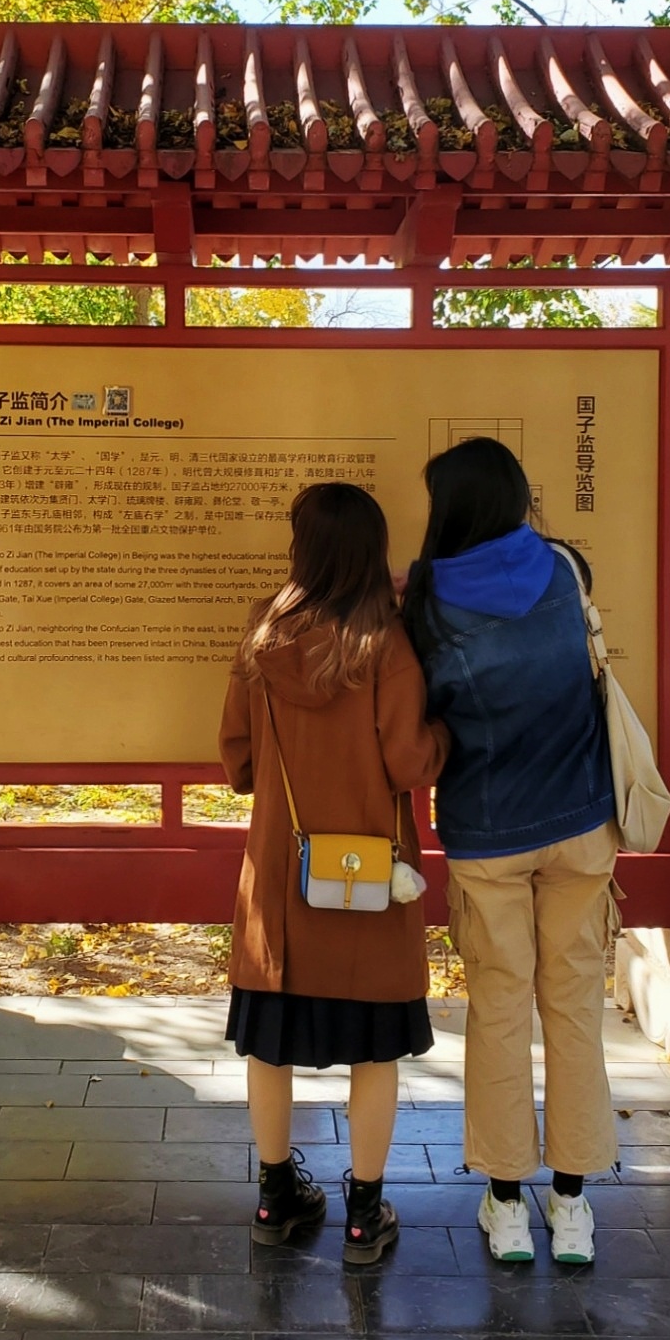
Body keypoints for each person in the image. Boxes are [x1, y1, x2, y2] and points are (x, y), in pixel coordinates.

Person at [220, 481, 449, 1267]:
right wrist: (446, 738)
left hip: (280, 888)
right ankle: (364, 1214)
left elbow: (237, 761)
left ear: (304, 549)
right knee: (374, 1052)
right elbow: (409, 761)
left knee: (268, 1046)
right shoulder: (385, 642)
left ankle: (274, 1197)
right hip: (369, 883)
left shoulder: (263, 631)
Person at [402, 437, 618, 1267]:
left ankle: (505, 1207)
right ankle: (573, 1205)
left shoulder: (427, 600)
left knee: (499, 1008)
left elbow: (423, 707)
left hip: (487, 831)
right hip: (582, 822)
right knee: (575, 1006)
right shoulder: (565, 567)